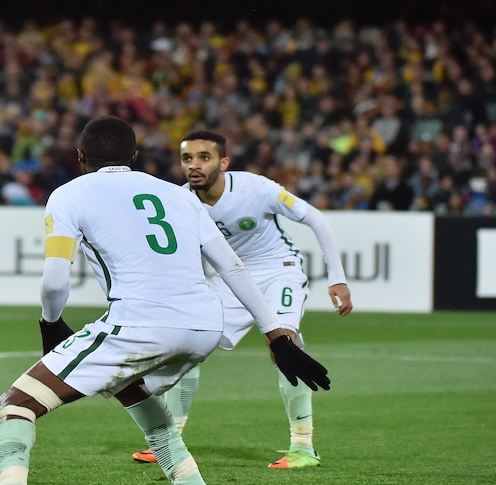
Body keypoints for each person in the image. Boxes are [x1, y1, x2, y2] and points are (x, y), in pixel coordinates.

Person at [0, 116, 331, 485]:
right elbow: (233, 267)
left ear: (80, 155)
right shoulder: (176, 194)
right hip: (204, 328)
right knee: (130, 389)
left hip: (140, 324)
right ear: (133, 155)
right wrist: (276, 335)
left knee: (16, 405)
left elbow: (56, 278)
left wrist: (51, 322)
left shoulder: (69, 194)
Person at [131, 130, 352, 469]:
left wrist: (336, 277)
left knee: (285, 347)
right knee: (190, 343)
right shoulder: (180, 200)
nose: (194, 165)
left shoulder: (257, 188)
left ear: (224, 162)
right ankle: (170, 436)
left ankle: (303, 448)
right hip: (228, 281)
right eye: (187, 158)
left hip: (279, 271)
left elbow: (315, 219)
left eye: (204, 157)